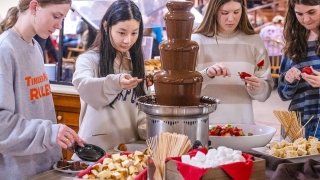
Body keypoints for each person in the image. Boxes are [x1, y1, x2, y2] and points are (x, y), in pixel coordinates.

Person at [0, 0, 84, 179]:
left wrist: (59, 136)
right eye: (56, 16)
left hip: (44, 169)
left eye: (62, 19)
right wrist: (50, 133)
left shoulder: (35, 47)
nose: (59, 26)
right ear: (34, 7)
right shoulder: (4, 51)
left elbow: (39, 112)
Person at [72, 0, 147, 151]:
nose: (128, 40)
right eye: (121, 32)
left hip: (127, 152)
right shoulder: (89, 60)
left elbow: (141, 110)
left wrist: (152, 129)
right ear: (106, 27)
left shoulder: (136, 63)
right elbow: (83, 85)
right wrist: (116, 82)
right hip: (94, 152)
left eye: (134, 33)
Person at [192, 0, 273, 124]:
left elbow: (264, 93)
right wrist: (207, 74)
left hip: (242, 125)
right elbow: (186, 89)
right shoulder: (196, 41)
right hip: (203, 125)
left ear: (243, 10)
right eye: (224, 13)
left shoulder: (254, 42)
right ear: (213, 12)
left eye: (236, 12)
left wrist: (258, 87)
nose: (231, 18)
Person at [278, 0, 320, 138]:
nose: (306, 19)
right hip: (298, 125)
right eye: (299, 14)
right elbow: (283, 95)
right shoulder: (294, 44)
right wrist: (290, 81)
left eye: (311, 12)